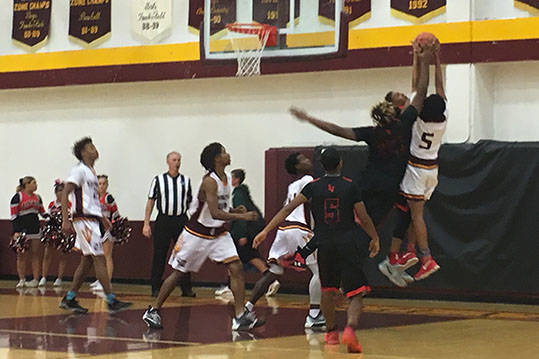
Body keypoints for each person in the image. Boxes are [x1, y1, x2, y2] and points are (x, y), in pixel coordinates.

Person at [288, 40, 435, 286]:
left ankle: (312, 255)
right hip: (388, 189)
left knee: (343, 224)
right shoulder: (405, 123)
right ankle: (386, 262)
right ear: (396, 111)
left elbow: (337, 129)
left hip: (365, 185)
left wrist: (309, 118)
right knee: (382, 224)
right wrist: (426, 59)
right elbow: (421, 92)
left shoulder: (372, 132)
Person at [254, 147, 380, 353]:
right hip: (347, 242)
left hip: (323, 243)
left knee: (328, 290)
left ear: (322, 166)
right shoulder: (350, 186)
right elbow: (363, 217)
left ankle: (331, 334)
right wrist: (374, 237)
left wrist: (266, 230)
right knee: (356, 293)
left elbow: (287, 209)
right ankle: (350, 329)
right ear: (340, 164)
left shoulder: (313, 187)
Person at [142, 143, 262, 331]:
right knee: (178, 273)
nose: (228, 153)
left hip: (219, 234)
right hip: (196, 234)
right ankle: (153, 310)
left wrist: (233, 210)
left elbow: (219, 209)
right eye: (223, 152)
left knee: (236, 267)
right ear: (216, 159)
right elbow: (214, 213)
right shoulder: (209, 181)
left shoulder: (226, 180)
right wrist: (242, 216)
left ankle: (240, 316)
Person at [380, 40, 445, 285]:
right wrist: (435, 58)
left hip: (416, 169)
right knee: (409, 215)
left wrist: (419, 57)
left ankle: (425, 257)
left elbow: (418, 86)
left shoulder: (414, 118)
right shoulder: (442, 118)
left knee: (413, 216)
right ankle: (405, 252)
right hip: (432, 170)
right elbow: (437, 89)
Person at [243, 153, 326, 329]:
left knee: (272, 271)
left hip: (284, 229)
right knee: (319, 271)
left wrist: (266, 231)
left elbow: (287, 209)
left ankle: (247, 309)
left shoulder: (291, 186)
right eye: (303, 159)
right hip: (299, 228)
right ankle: (314, 315)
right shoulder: (309, 180)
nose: (308, 160)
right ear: (297, 167)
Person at [59, 137, 131, 313]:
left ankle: (69, 298)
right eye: (91, 147)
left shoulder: (91, 171)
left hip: (91, 219)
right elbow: (65, 193)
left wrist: (102, 218)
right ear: (83, 152)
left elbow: (91, 200)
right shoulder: (79, 170)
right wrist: (65, 219)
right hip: (83, 220)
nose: (95, 149)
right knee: (99, 257)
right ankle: (111, 300)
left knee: (87, 261)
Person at [143, 151, 195, 298]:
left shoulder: (186, 180)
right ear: (168, 162)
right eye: (174, 160)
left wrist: (193, 222)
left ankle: (186, 288)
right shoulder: (159, 180)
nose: (177, 162)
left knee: (184, 254)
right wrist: (146, 223)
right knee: (160, 253)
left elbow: (191, 203)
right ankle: (155, 287)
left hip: (181, 220)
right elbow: (151, 202)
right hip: (164, 220)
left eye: (179, 160)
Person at [215, 169, 269, 296]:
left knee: (233, 258)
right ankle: (270, 279)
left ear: (236, 180)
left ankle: (229, 286)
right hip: (249, 231)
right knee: (251, 256)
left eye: (231, 178)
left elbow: (241, 214)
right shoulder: (243, 192)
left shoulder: (238, 194)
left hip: (242, 232)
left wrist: (242, 234)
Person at [10, 176, 46, 288]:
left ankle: (36, 279)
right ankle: (22, 279)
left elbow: (42, 212)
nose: (36, 185)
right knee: (22, 255)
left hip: (35, 228)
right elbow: (14, 215)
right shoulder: (18, 197)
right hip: (22, 230)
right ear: (27, 184)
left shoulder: (38, 197)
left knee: (35, 254)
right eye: (34, 183)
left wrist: (54, 217)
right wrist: (16, 231)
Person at [89, 175, 120, 291]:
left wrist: (112, 225)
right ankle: (100, 279)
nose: (101, 186)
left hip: (107, 230)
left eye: (103, 184)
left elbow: (116, 213)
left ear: (107, 185)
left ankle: (107, 282)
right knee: (98, 257)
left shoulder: (109, 198)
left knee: (107, 256)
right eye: (99, 184)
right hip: (96, 229)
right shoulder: (93, 198)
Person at [40, 180, 71, 287]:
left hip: (64, 230)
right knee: (47, 253)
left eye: (63, 191)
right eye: (59, 191)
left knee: (63, 254)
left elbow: (71, 217)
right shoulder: (52, 204)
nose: (61, 193)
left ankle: (59, 278)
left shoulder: (70, 204)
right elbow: (48, 216)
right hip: (52, 230)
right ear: (56, 193)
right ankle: (44, 277)